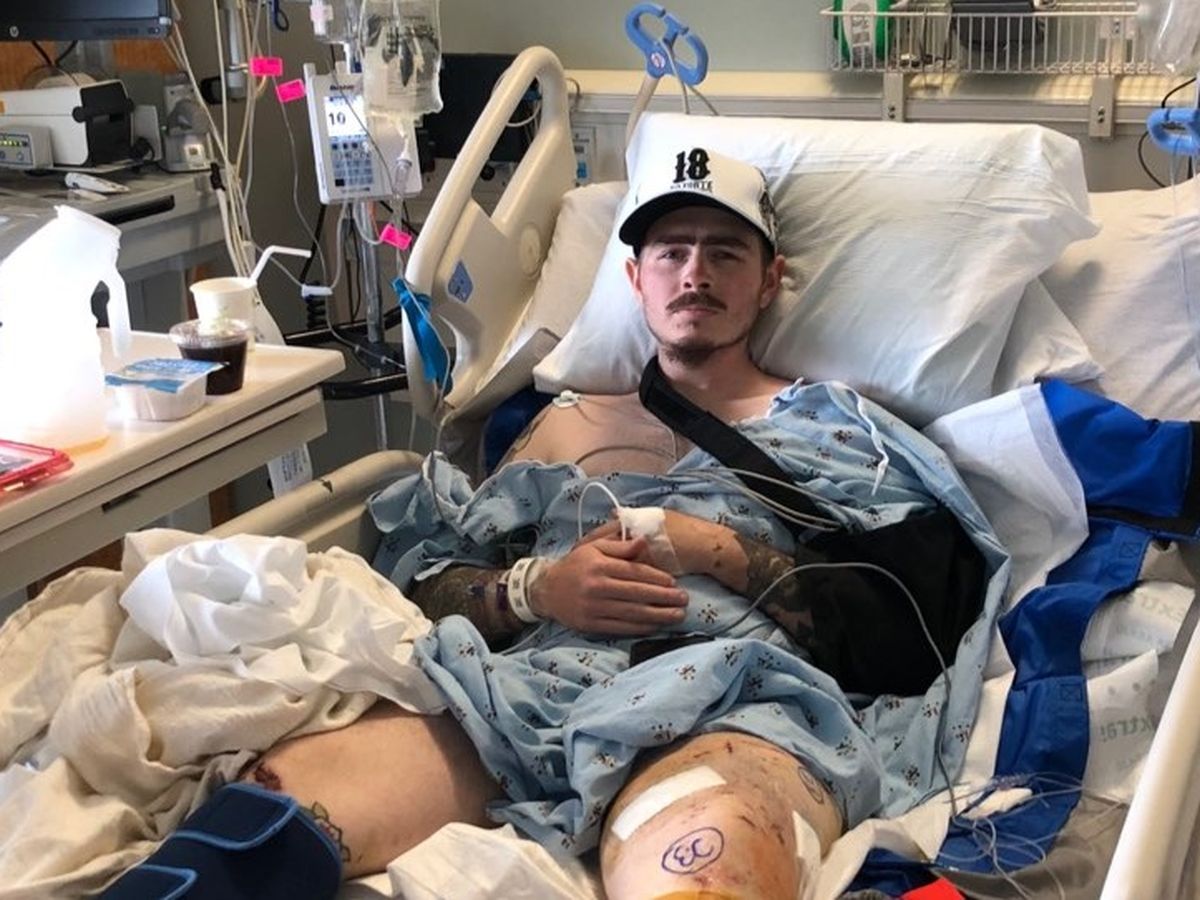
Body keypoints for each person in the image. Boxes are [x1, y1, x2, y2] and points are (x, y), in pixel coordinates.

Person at [103, 148, 1005, 900]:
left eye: (725, 253)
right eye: (671, 252)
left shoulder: (839, 434)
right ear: (634, 279)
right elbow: (422, 586)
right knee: (261, 824)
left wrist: (722, 553)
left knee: (707, 866)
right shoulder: (560, 427)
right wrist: (534, 590)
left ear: (770, 280)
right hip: (526, 697)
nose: (695, 273)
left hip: (742, 702)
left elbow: (915, 632)